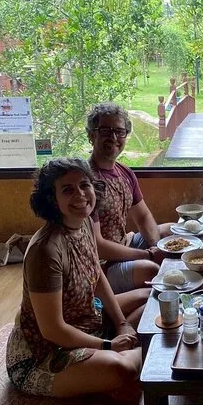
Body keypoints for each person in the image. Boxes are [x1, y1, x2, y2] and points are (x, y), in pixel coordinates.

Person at [6, 158, 142, 401]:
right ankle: (141, 355)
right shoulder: (45, 251)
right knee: (121, 369)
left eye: (84, 185)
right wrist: (109, 345)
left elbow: (96, 274)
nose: (80, 195)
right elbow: (53, 330)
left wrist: (122, 323)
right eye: (68, 190)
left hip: (89, 322)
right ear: (52, 199)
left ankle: (127, 359)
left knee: (151, 301)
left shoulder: (85, 222)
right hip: (47, 352)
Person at [86, 102, 174, 294]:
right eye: (105, 131)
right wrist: (148, 255)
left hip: (124, 243)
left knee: (172, 232)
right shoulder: (85, 182)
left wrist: (155, 247)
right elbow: (98, 246)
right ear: (91, 135)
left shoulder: (124, 172)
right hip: (99, 265)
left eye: (120, 132)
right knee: (151, 270)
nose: (114, 138)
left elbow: (143, 217)